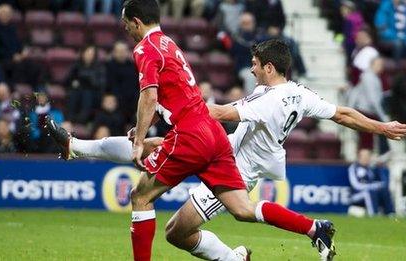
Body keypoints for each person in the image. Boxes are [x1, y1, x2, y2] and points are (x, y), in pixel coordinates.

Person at [46, 38, 406, 261]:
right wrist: (382, 127)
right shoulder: (300, 93)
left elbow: (221, 112)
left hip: (235, 163)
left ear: (269, 67)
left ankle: (309, 230)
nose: (250, 69)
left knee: (183, 227)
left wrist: (179, 107)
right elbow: (342, 113)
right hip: (227, 150)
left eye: (254, 64)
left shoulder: (271, 101)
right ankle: (75, 146)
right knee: (152, 147)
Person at [348, 149, 394, 216]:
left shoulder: (371, 168)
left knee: (384, 190)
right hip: (356, 194)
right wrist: (372, 186)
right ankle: (373, 214)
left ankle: (390, 213)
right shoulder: (353, 168)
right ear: (359, 157)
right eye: (365, 157)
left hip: (371, 191)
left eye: (368, 156)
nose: (367, 159)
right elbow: (356, 185)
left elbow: (376, 181)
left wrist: (377, 185)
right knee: (369, 193)